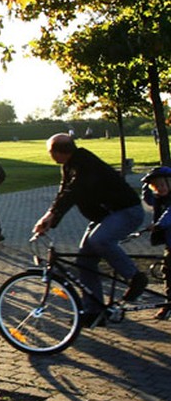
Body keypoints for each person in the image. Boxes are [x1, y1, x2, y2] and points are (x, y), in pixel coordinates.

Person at [33, 133, 147, 318]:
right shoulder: (69, 165)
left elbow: (73, 191)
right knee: (84, 263)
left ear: (57, 151)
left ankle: (135, 277)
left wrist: (51, 215)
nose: (49, 155)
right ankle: (94, 312)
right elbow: (63, 192)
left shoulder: (85, 163)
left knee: (99, 240)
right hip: (106, 216)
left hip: (126, 211)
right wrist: (50, 218)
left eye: (49, 151)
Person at [141, 166, 171, 319]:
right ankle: (168, 304)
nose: (160, 188)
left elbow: (169, 215)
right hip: (169, 245)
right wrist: (146, 184)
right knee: (168, 273)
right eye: (157, 186)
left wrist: (159, 225)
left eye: (163, 185)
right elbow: (147, 199)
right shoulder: (159, 200)